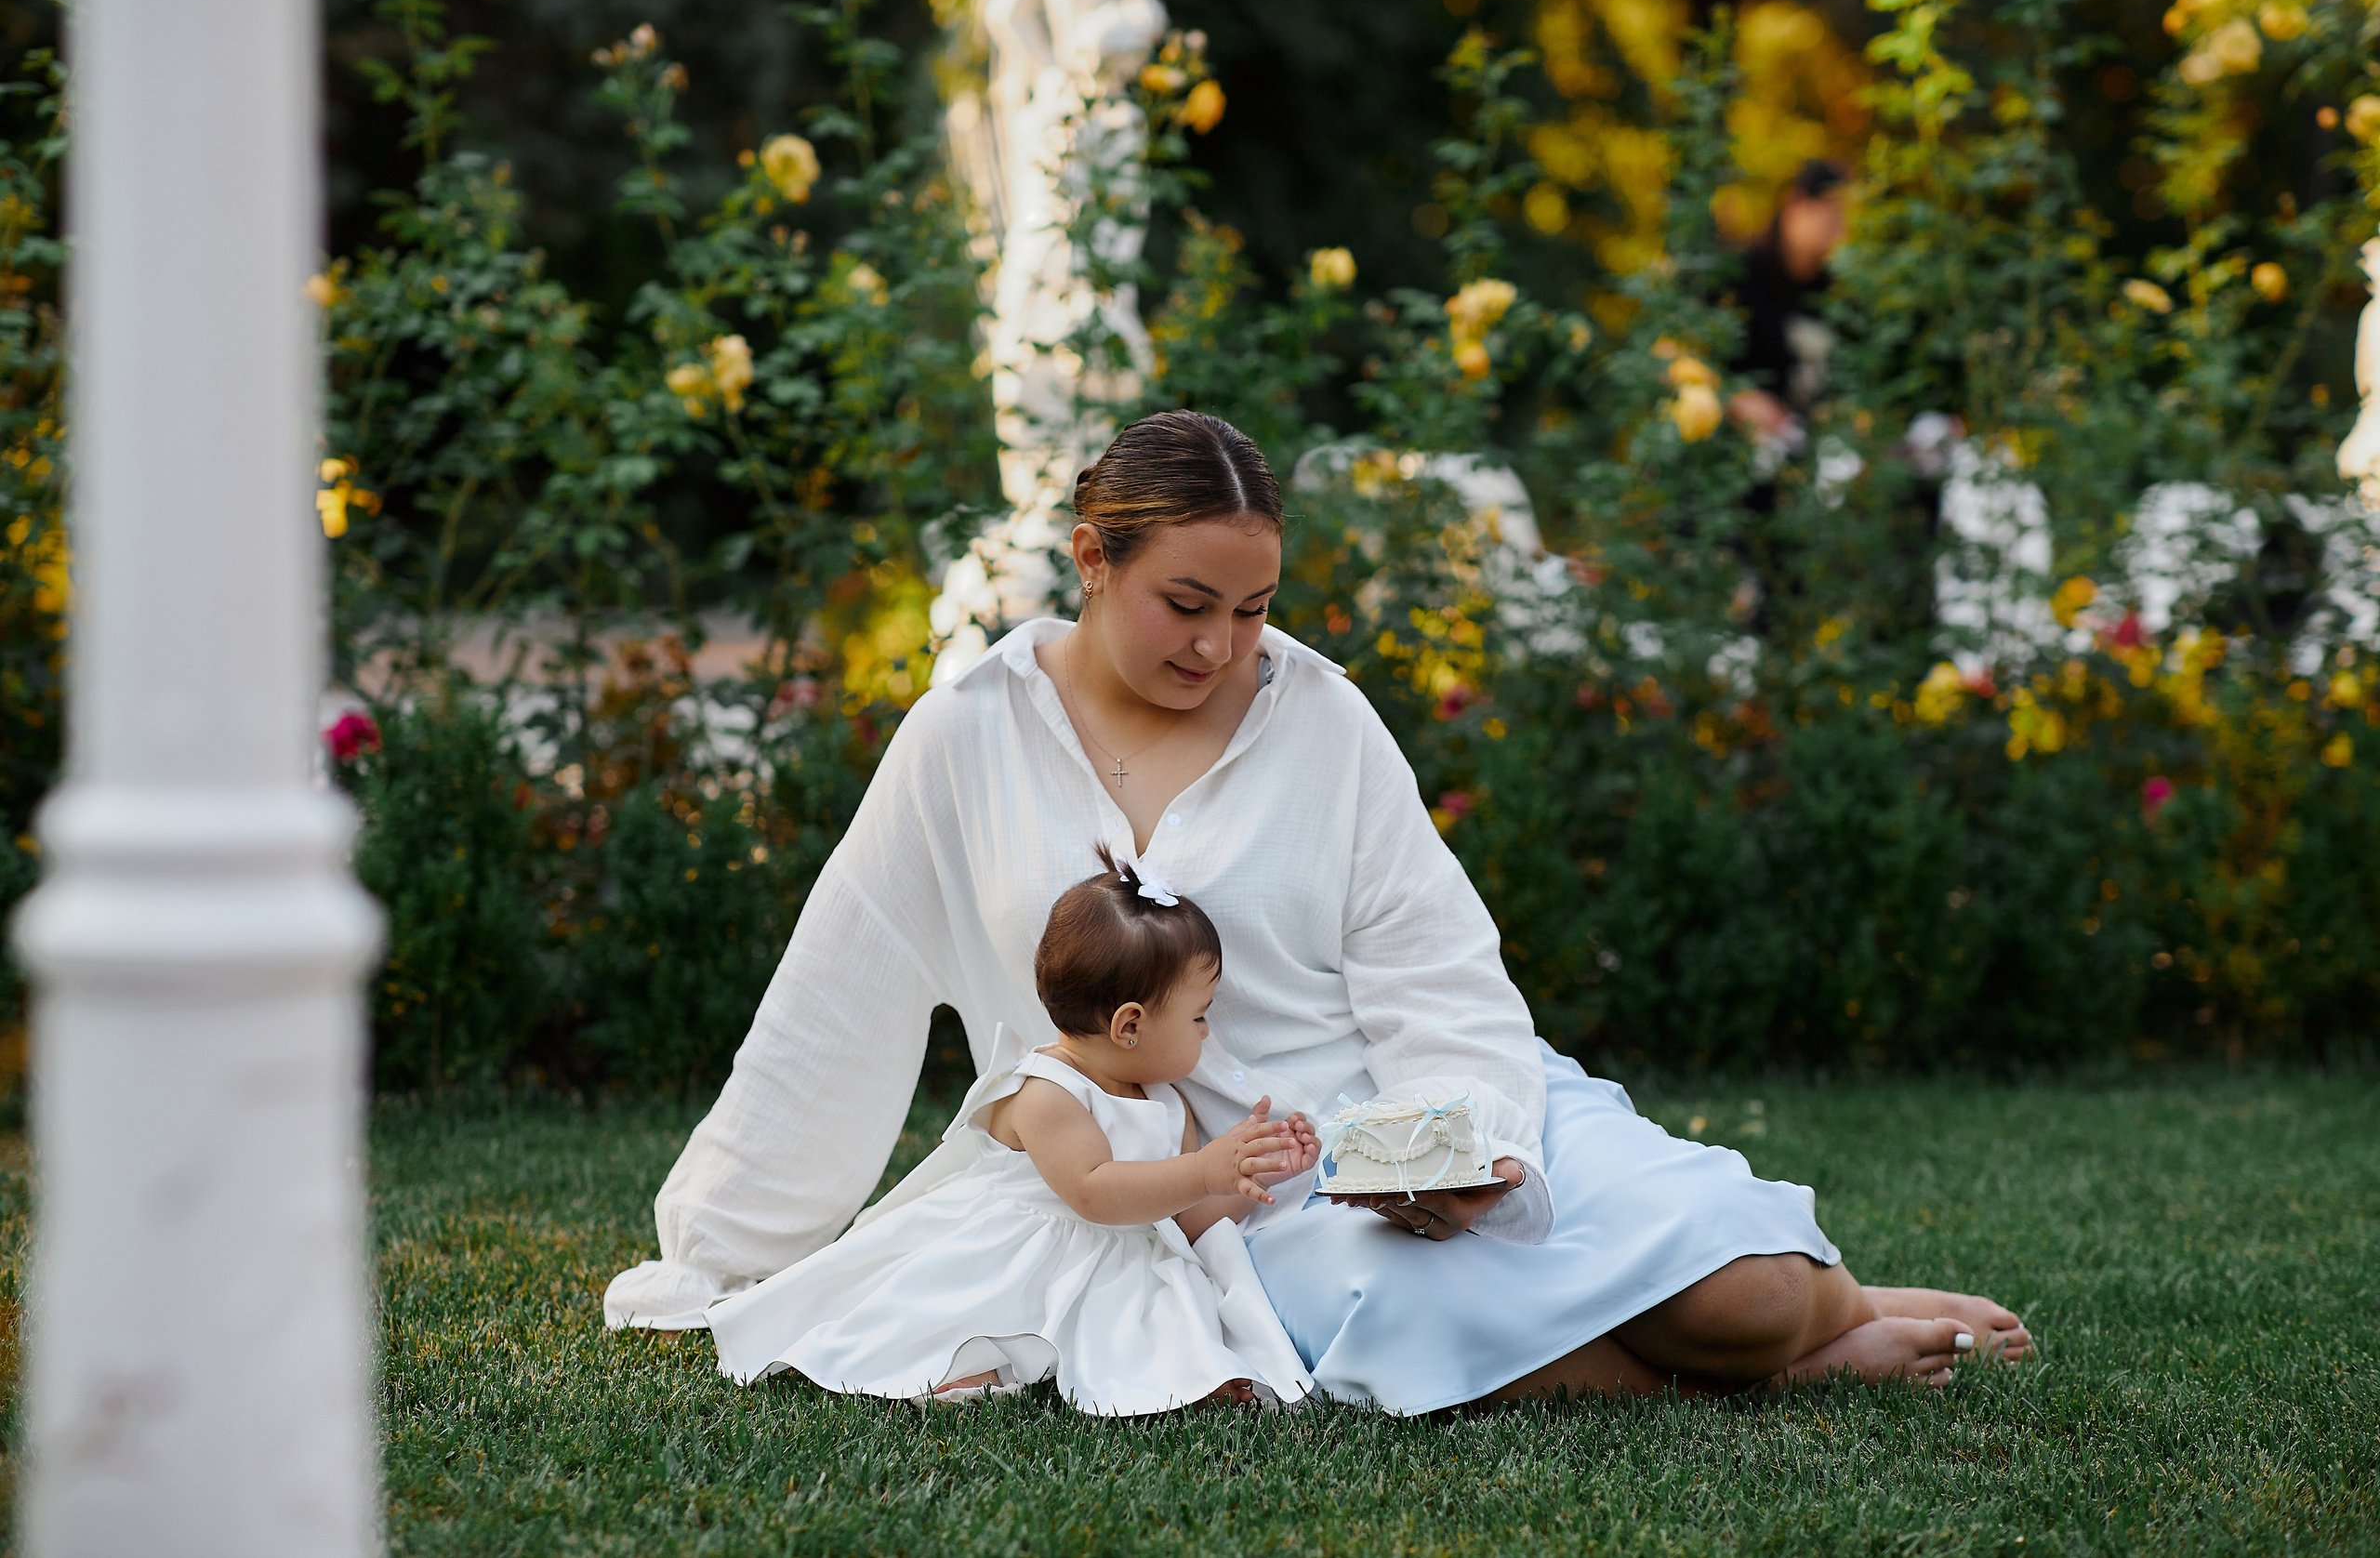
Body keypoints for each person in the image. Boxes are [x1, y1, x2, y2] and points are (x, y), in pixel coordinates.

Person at [605, 408, 2033, 1411]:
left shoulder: (1323, 715)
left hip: (1418, 1116)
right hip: (1222, 1197)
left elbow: (1440, 970)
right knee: (1422, 1340)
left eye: (1254, 602)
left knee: (1750, 1294)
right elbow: (834, 997)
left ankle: (1813, 1314)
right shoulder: (964, 732)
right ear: (1091, 559)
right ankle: (1793, 1363)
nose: (1226, 644)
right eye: (1187, 601)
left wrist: (1470, 1145)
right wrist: (724, 1251)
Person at [705, 849, 1318, 1412]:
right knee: (980, 1314)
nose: (1206, 1032)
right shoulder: (1047, 1091)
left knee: (1157, 1305)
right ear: (1129, 1025)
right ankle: (971, 1367)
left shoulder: (1164, 1098)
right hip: (1022, 1251)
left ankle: (1200, 1375)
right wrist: (1207, 1165)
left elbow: (1188, 1211)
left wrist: (1244, 1175)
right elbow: (1093, 1191)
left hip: (1117, 1257)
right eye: (1199, 1015)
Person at [1728, 158, 1851, 456]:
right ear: (1796, 204)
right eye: (1832, 213)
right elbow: (1676, 353)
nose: (1842, 228)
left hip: (1809, 459)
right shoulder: (1737, 276)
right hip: (1734, 457)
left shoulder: (1837, 292)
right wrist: (1735, 397)